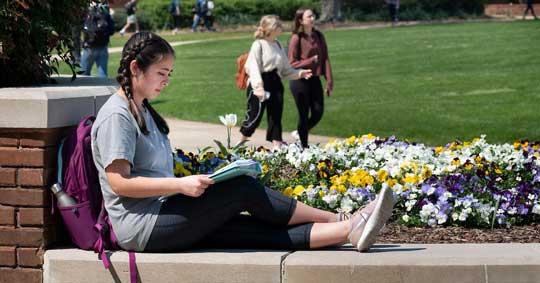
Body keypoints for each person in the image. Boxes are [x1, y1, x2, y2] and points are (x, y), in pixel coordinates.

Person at [91, 31, 395, 253]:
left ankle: (347, 232)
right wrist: (181, 185)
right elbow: (119, 183)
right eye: (161, 73)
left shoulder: (140, 108)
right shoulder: (117, 116)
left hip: (162, 213)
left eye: (169, 73)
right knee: (242, 189)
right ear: (135, 69)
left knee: (252, 232)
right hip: (143, 226)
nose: (166, 81)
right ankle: (344, 218)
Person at [239, 15, 312, 150]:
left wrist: (299, 73)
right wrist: (258, 88)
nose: (281, 27)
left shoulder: (277, 44)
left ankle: (276, 143)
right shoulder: (258, 45)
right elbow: (252, 68)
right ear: (271, 28)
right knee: (254, 117)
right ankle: (240, 144)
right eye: (278, 25)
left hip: (275, 83)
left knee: (276, 115)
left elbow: (285, 70)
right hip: (260, 83)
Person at [288, 8, 333, 149]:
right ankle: (304, 147)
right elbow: (291, 63)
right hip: (299, 80)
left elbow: (325, 58)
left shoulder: (319, 36)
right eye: (309, 16)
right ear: (301, 20)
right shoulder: (297, 38)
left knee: (318, 112)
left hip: (314, 79)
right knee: (303, 114)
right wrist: (310, 60)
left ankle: (300, 132)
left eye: (313, 16)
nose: (312, 18)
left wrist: (329, 80)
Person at [80, 0, 115, 77]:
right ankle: (106, 89)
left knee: (83, 76)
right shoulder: (105, 9)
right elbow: (112, 30)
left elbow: (83, 26)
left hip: (89, 47)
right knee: (103, 75)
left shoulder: (88, 9)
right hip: (103, 46)